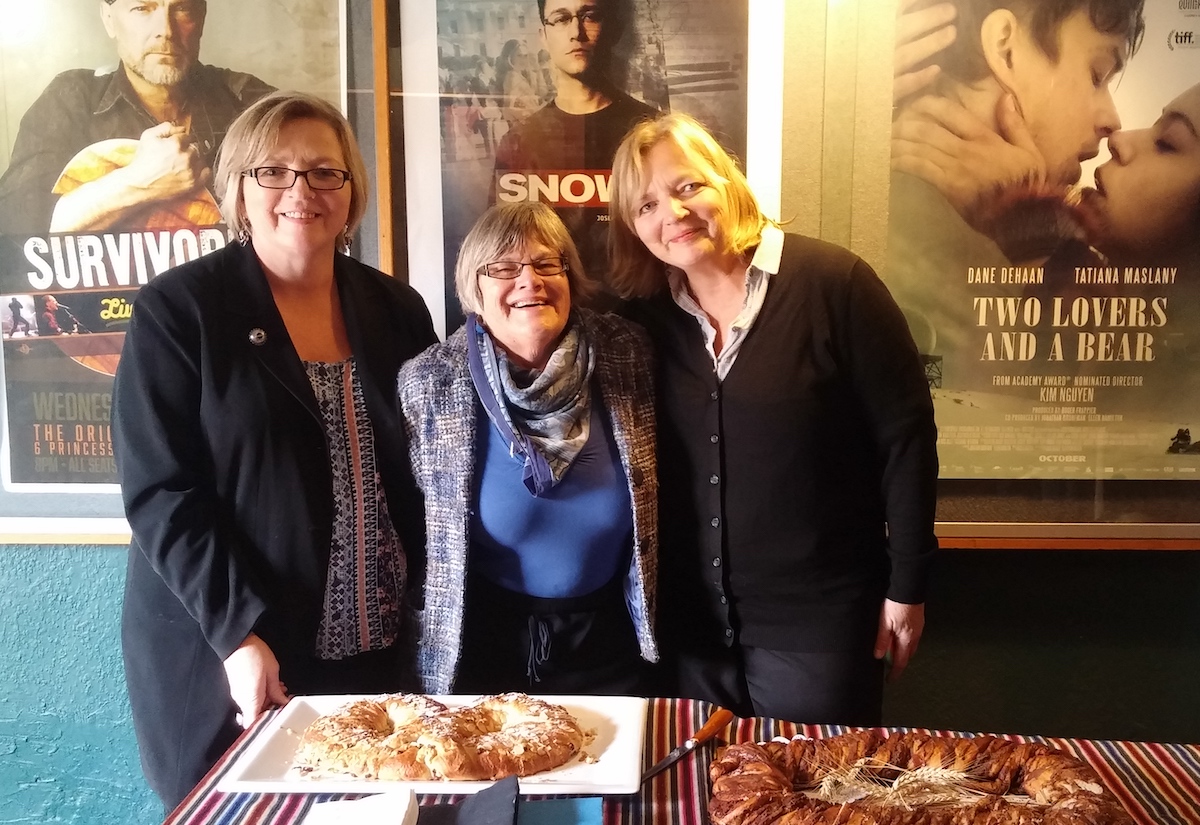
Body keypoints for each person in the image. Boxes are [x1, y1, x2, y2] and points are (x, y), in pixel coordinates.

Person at [112, 91, 437, 811]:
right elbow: (162, 493)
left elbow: (430, 467)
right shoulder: (181, 311)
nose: (301, 191)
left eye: (325, 172)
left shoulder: (397, 310)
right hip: (236, 652)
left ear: (351, 192)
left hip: (375, 649)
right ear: (237, 188)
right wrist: (237, 634)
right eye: (274, 172)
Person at [608, 114, 938, 724]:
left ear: (726, 181)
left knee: (819, 801)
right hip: (687, 634)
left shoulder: (836, 284)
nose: (672, 214)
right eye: (646, 204)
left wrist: (908, 585)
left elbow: (906, 441)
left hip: (819, 625)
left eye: (687, 187)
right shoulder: (642, 319)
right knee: (702, 796)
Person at [398, 201, 658, 696]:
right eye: (503, 268)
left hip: (613, 642)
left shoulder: (630, 354)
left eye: (546, 263)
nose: (529, 281)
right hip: (483, 646)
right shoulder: (430, 381)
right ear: (474, 289)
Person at [885, 0, 1145, 383]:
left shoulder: (880, 192)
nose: (1113, 121)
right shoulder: (899, 224)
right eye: (1097, 74)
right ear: (1006, 50)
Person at [0, 0, 274, 235]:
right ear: (109, 20)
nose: (165, 31)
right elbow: (14, 229)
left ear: (201, 19)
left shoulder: (247, 100)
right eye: (142, 8)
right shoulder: (72, 99)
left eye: (182, 8)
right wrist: (140, 182)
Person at [492, 0, 660, 289]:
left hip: (645, 315)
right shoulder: (519, 141)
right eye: (560, 18)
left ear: (611, 28)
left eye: (589, 16)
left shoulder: (653, 131)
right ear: (543, 35)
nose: (576, 32)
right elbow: (503, 248)